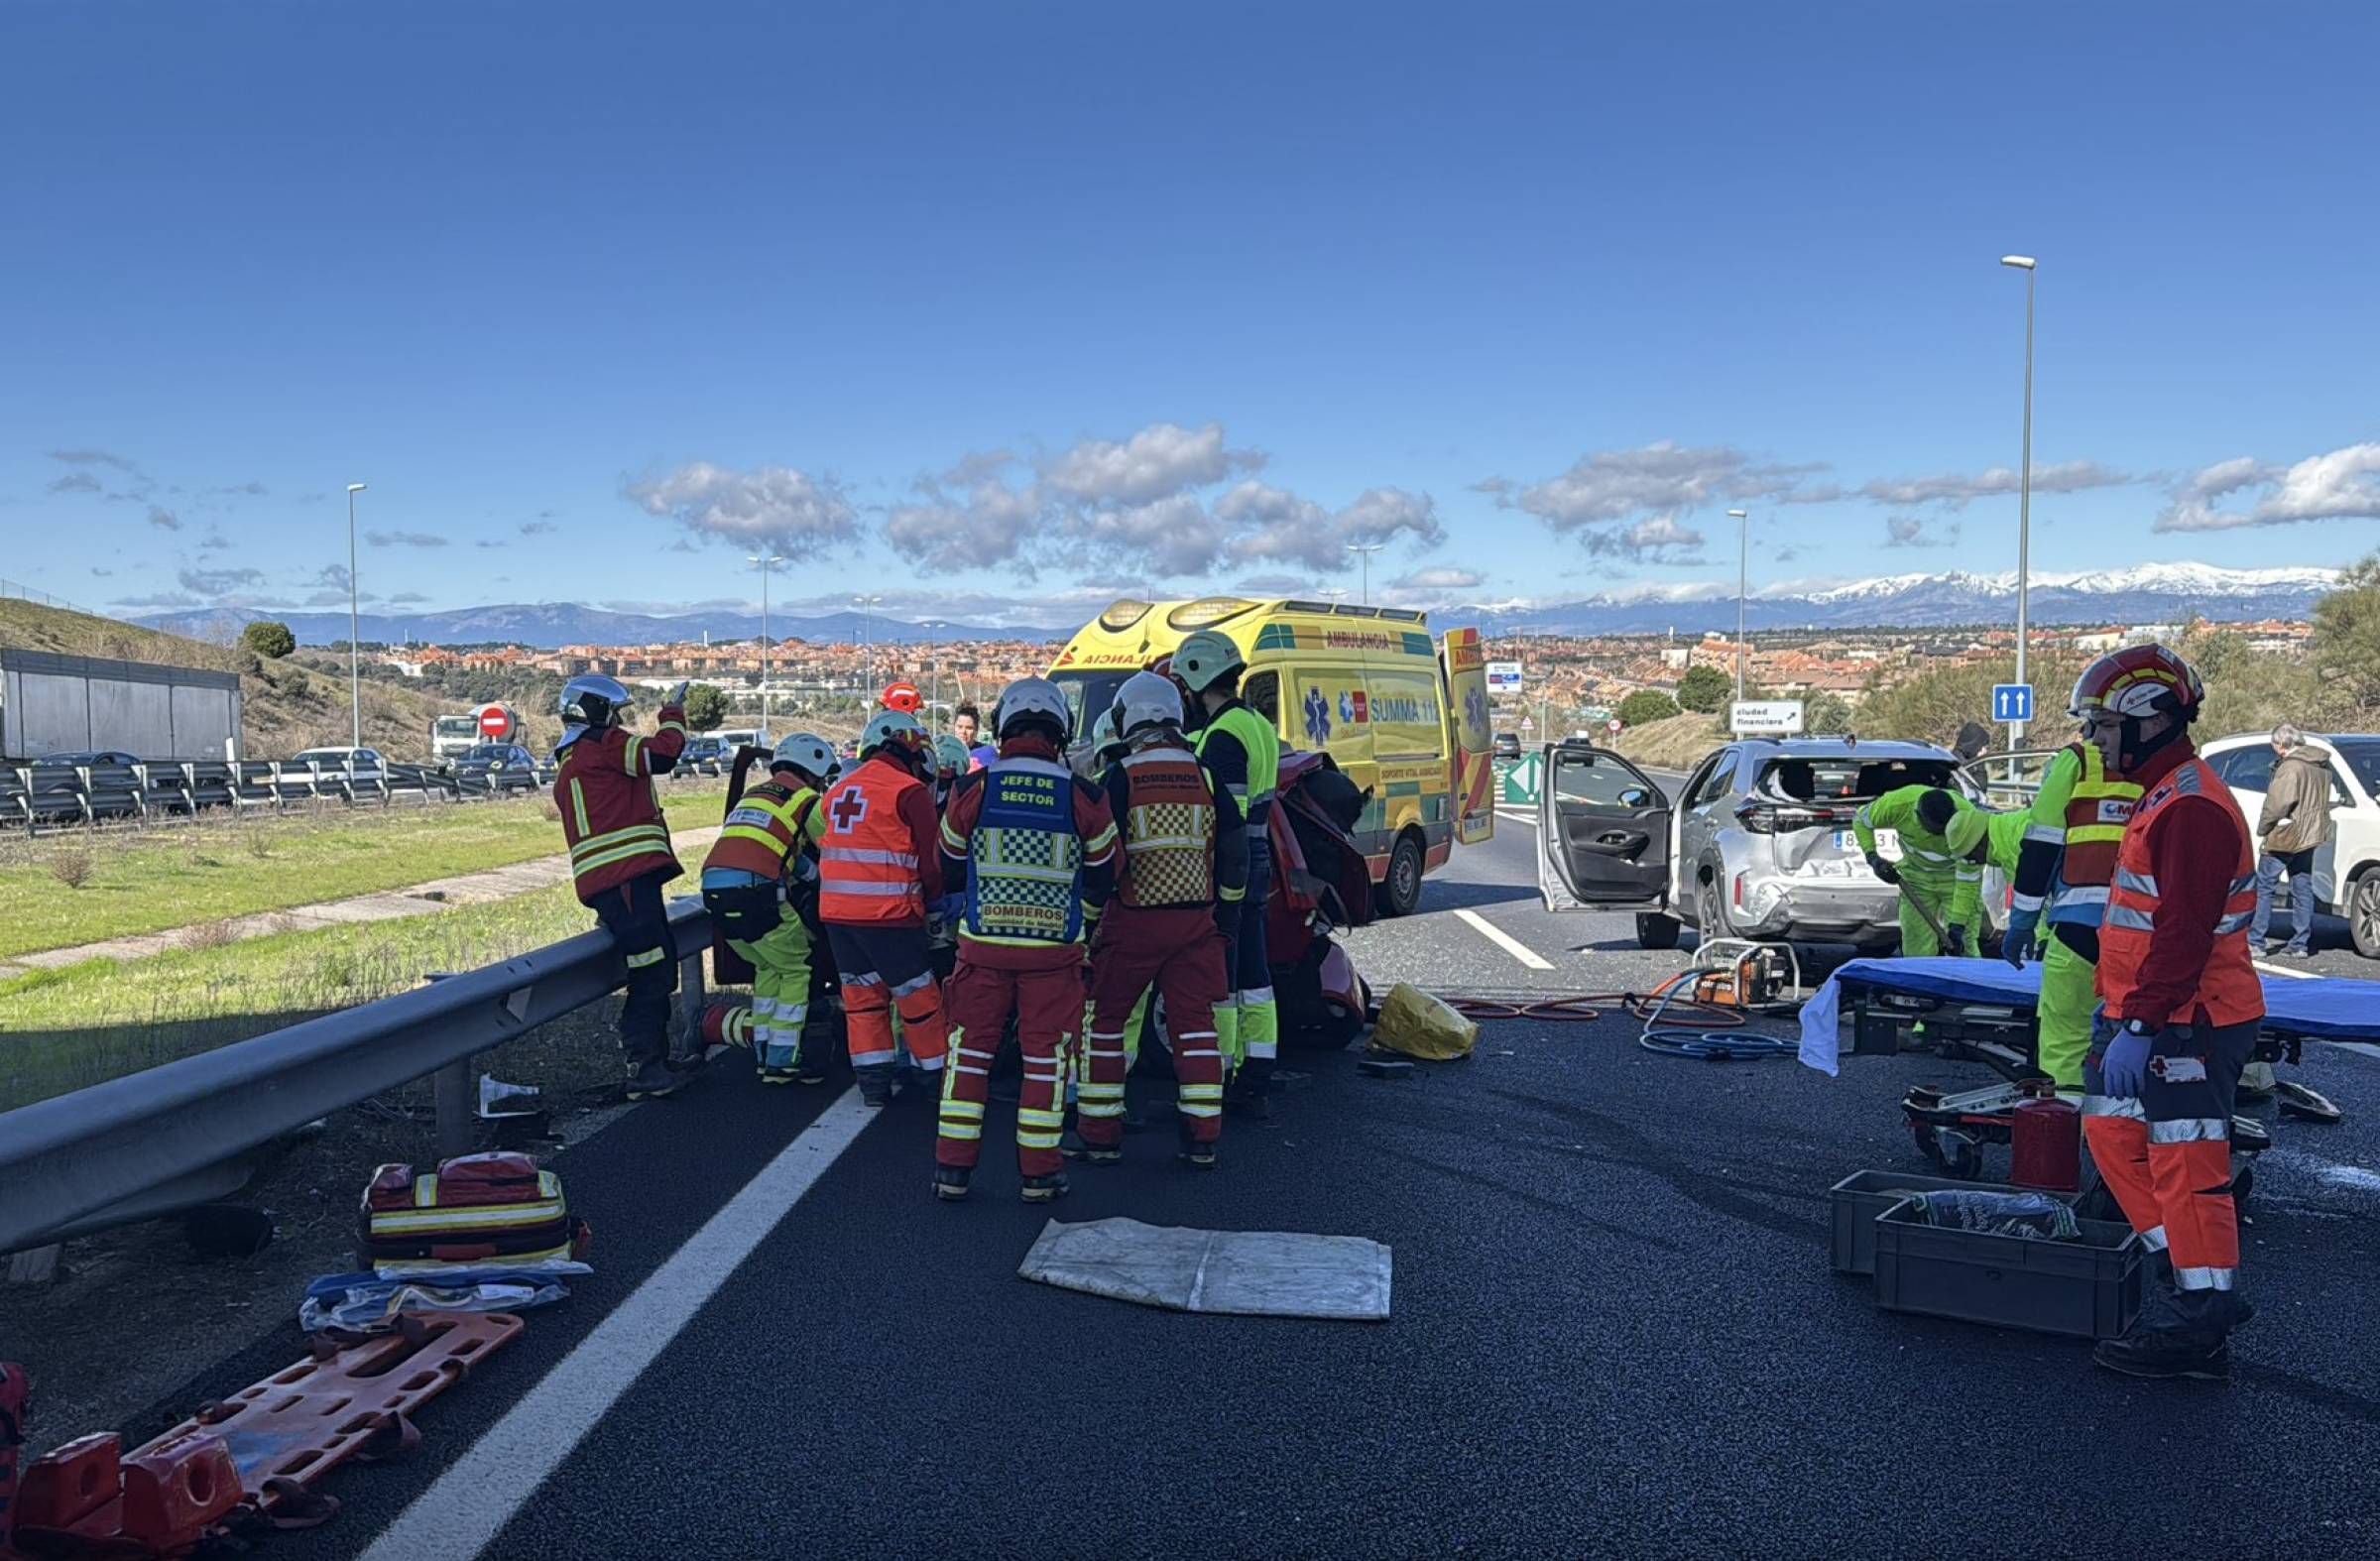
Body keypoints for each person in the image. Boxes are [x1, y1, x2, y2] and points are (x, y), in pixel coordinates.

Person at [2072, 645, 2264, 1381]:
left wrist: (2144, 1024)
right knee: (2113, 1134)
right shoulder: (2166, 793)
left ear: (2150, 721)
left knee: (2187, 1166)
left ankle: (2200, 1324)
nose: (2095, 739)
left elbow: (2184, 932)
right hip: (2145, 1015)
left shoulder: (2189, 806)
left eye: (2103, 725)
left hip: (2189, 1019)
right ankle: (2191, 1279)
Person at [931, 677, 1119, 1203]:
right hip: (1055, 959)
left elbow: (945, 868)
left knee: (969, 1055)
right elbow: (1106, 874)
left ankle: (952, 1171)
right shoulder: (1085, 795)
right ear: (1060, 731)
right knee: (1045, 1062)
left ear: (1002, 727)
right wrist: (1078, 921)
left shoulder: (974, 788)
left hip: (981, 950)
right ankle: (1039, 1175)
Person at [1077, 671, 1247, 1168]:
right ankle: (1202, 1138)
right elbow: (1235, 856)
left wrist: (1089, 926)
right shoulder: (1206, 775)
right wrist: (1228, 916)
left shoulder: (1121, 776)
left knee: (1106, 1024)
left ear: (1129, 718)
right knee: (1195, 1028)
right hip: (1196, 924)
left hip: (1133, 920)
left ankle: (1100, 1135)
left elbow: (1102, 858)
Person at [554, 674, 691, 1100]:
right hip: (626, 878)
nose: (619, 721)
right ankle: (646, 1065)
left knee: (654, 964)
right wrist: (672, 714)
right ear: (596, 712)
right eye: (614, 713)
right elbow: (663, 754)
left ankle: (656, 1061)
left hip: (614, 882)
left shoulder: (574, 757)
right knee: (652, 969)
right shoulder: (606, 746)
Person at [1990, 735, 2142, 1101]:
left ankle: (2065, 1136)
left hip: (2079, 925)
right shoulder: (2170, 768)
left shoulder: (2077, 762)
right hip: (2143, 931)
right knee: (2134, 1036)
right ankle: (2125, 1138)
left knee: (2066, 1041)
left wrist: (2023, 922)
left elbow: (2041, 844)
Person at [1172, 629, 1283, 1110]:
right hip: (1259, 861)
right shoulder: (1255, 722)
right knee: (1255, 974)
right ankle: (1258, 1065)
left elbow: (1226, 817)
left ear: (1198, 677)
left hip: (1230, 868)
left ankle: (1219, 1071)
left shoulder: (1222, 737)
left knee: (1222, 977)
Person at [818, 709, 952, 1107]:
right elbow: (933, 862)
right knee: (918, 997)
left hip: (837, 915)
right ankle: (935, 1078)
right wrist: (934, 907)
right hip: (889, 914)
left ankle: (873, 1084)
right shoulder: (908, 791)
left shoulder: (839, 790)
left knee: (862, 1000)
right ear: (916, 758)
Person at [700, 732, 834, 1085]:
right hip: (756, 891)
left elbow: (787, 852)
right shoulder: (806, 799)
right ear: (814, 770)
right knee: (797, 968)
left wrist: (811, 874)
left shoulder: (754, 796)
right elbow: (832, 846)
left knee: (768, 968)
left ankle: (763, 1055)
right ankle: (783, 1060)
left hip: (714, 890)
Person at [1853, 785, 1982, 957]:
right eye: (1937, 830)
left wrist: (1957, 925)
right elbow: (1861, 821)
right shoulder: (1897, 805)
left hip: (1956, 883)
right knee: (1916, 944)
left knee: (1965, 946)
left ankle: (1968, 979)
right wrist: (1873, 857)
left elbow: (1969, 879)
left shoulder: (1970, 821)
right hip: (1915, 881)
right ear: (1918, 816)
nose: (1943, 834)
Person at [2251, 723, 2331, 959]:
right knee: (2302, 887)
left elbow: (2277, 804)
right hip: (2310, 834)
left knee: (2265, 887)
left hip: (2285, 834)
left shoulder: (2290, 768)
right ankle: (2300, 943)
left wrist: (2264, 827)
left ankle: (2256, 941)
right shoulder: (2320, 766)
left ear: (2282, 745)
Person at [954, 701, 996, 771]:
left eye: (969, 728)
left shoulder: (986, 753)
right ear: (954, 727)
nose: (963, 732)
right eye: (959, 727)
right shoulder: (943, 753)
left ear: (976, 730)